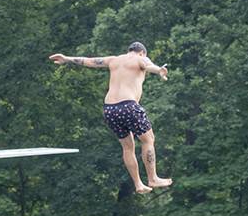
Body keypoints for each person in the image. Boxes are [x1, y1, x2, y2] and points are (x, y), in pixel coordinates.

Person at [49, 41, 172, 194]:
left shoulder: (113, 60)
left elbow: (89, 61)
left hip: (110, 109)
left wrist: (66, 58)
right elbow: (148, 65)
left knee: (127, 147)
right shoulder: (140, 58)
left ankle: (138, 184)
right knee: (148, 139)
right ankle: (152, 178)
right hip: (128, 106)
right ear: (142, 52)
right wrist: (159, 70)